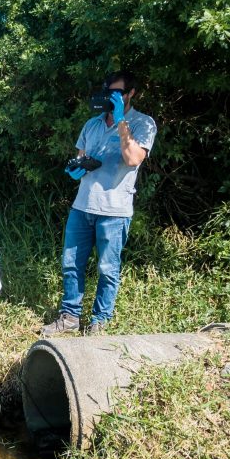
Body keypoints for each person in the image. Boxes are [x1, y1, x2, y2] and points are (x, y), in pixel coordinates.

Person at [41, 71, 157, 336]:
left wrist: (120, 122)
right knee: (71, 263)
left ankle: (99, 322)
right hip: (82, 206)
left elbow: (133, 159)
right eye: (108, 92)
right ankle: (69, 317)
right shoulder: (91, 124)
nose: (111, 97)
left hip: (114, 211)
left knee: (107, 268)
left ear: (130, 94)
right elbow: (80, 156)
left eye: (117, 93)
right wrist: (76, 169)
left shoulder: (142, 123)